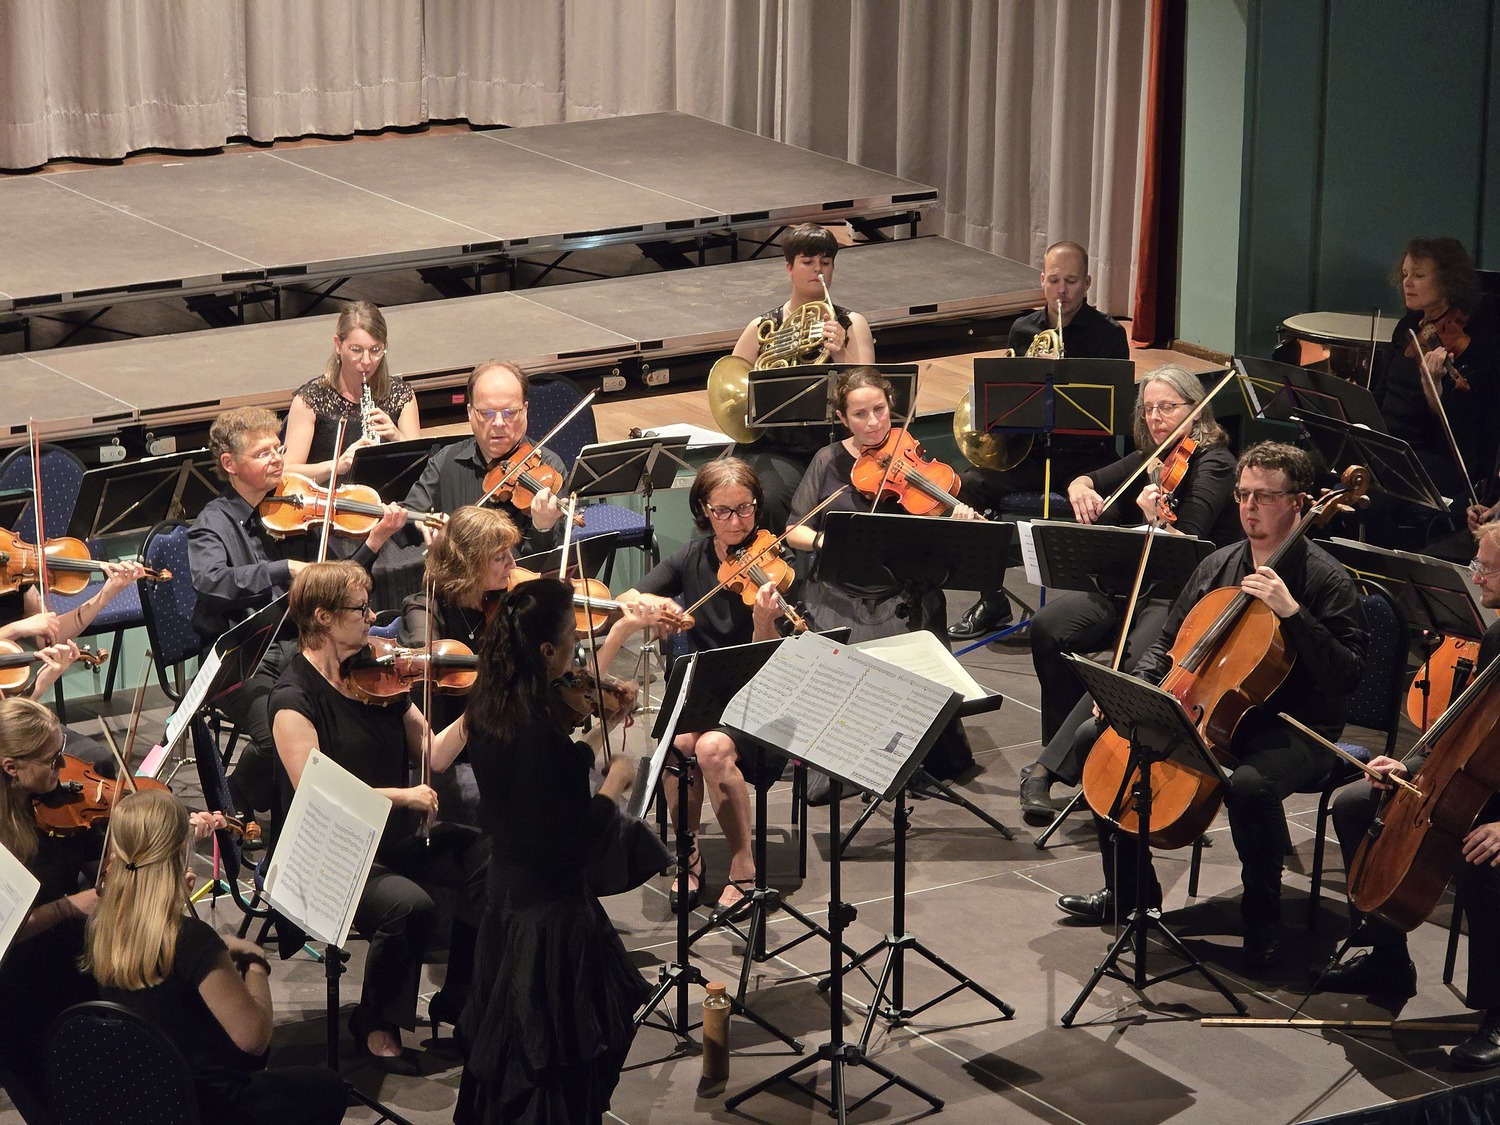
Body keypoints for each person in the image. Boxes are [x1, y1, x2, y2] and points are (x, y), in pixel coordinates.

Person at [1056, 442, 1367, 972]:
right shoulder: (1218, 564)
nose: (1249, 507)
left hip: (1294, 726)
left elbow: (1347, 675)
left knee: (1250, 786)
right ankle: (1129, 896)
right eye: (1243, 495)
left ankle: (1262, 921)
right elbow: (1168, 642)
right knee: (1094, 738)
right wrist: (1136, 693)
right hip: (1208, 711)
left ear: (1298, 502)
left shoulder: (1326, 579)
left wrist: (1292, 613)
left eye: (1265, 496)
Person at [269, 561, 485, 1073]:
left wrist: (480, 710)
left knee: (490, 860)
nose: (373, 618)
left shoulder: (379, 675)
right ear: (322, 617)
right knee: (408, 906)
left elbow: (433, 755)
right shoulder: (293, 699)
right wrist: (403, 796)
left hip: (390, 838)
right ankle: (375, 1023)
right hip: (328, 851)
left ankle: (462, 1000)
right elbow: (318, 793)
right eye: (361, 609)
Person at [455, 578, 651, 1124]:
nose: (577, 649)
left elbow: (542, 783)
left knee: (508, 1054)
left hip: (506, 899)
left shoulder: (490, 705)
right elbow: (578, 841)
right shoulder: (539, 736)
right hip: (551, 923)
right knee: (550, 1061)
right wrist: (615, 784)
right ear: (546, 650)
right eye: (571, 638)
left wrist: (600, 728)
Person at [1018, 365, 1240, 825]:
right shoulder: (1152, 456)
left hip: (1179, 596)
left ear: (1195, 408)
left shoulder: (1214, 462)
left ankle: (1045, 771)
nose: (1156, 417)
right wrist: (1079, 487)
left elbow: (1192, 539)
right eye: (1149, 409)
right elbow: (1090, 479)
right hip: (1130, 585)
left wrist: (1156, 517)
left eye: (1167, 407)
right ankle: (1067, 749)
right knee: (1049, 627)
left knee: (1131, 662)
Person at [1316, 520, 1500, 1069]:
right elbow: (1462, 730)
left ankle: (1498, 1016)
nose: (1475, 577)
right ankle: (1388, 958)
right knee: (1356, 805)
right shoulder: (1497, 636)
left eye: (1486, 568)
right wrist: (1410, 766)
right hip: (1481, 783)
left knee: (1482, 862)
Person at [0, 699, 223, 1115]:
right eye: (51, 760)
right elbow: (7, 931)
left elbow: (101, 871)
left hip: (74, 954)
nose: (63, 766)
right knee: (52, 1096)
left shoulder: (61, 801)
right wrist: (68, 907)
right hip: (16, 982)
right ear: (11, 767)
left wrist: (156, 859)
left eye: (62, 750)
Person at [189, 406, 406, 820]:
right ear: (229, 464)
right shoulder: (212, 524)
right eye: (262, 453)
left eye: (278, 449)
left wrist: (375, 541)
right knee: (277, 736)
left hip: (298, 648)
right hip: (241, 662)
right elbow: (210, 581)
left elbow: (333, 590)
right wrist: (282, 568)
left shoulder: (296, 508)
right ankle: (238, 793)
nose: (276, 459)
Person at [84, 788, 347, 1125]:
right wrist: (255, 963)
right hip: (206, 1105)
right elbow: (254, 1040)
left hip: (146, 1099)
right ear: (181, 851)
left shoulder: (101, 928)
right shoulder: (191, 940)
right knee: (328, 1087)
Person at [783, 368, 981, 793]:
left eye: (880, 410)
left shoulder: (908, 453)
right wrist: (825, 541)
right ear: (842, 418)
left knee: (908, 652)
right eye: (860, 414)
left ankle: (911, 756)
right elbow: (794, 530)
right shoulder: (827, 461)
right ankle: (855, 757)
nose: (873, 423)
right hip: (838, 589)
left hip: (898, 589)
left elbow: (935, 536)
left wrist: (957, 515)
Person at [617, 457, 785, 913]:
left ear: (757, 506)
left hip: (760, 694)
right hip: (707, 692)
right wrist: (659, 609)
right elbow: (629, 596)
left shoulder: (776, 563)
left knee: (711, 748)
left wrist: (763, 621)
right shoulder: (690, 558)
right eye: (723, 511)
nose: (736, 522)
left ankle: (743, 864)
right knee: (676, 746)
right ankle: (688, 855)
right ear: (705, 511)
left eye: (745, 509)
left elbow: (772, 656)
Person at [951, 240, 1131, 639]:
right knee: (967, 486)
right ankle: (992, 599)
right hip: (1030, 454)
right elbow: (1003, 404)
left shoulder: (1108, 334)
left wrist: (1062, 376)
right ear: (1042, 281)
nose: (1061, 290)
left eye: (1071, 281)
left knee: (1111, 506)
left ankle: (1102, 610)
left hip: (1086, 457)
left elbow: (1114, 415)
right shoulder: (1023, 330)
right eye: (1054, 280)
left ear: (1087, 283)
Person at [730, 222, 876, 533]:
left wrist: (841, 353)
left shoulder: (852, 324)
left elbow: (870, 391)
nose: (818, 270)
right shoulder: (763, 326)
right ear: (789, 268)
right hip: (778, 447)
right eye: (808, 262)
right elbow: (734, 385)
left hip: (838, 444)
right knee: (769, 499)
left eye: (826, 262)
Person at [1369, 237, 1499, 549]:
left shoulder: (1474, 342)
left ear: (1447, 280)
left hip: (1431, 457)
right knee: (1315, 469)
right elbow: (1382, 391)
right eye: (1405, 274)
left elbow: (1460, 434)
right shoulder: (1407, 326)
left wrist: (1434, 388)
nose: (1407, 283)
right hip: (1389, 446)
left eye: (1418, 275)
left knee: (1370, 497)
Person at [398, 505, 522, 826]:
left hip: (499, 745)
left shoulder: (503, 604)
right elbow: (423, 657)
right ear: (469, 564)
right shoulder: (424, 608)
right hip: (451, 758)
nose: (512, 565)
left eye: (510, 553)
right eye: (500, 558)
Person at [403, 360, 564, 558]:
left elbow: (553, 562)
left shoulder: (549, 468)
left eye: (510, 413)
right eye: (487, 413)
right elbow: (406, 518)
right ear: (470, 412)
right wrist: (423, 522)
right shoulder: (445, 461)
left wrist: (543, 528)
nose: (499, 423)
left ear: (525, 410)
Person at [283, 300, 420, 485]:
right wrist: (337, 466)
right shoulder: (310, 400)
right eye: (356, 350)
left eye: (375, 350)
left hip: (386, 498)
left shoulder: (400, 395)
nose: (366, 361)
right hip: (327, 499)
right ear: (338, 345)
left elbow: (421, 469)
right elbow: (286, 472)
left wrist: (398, 437)